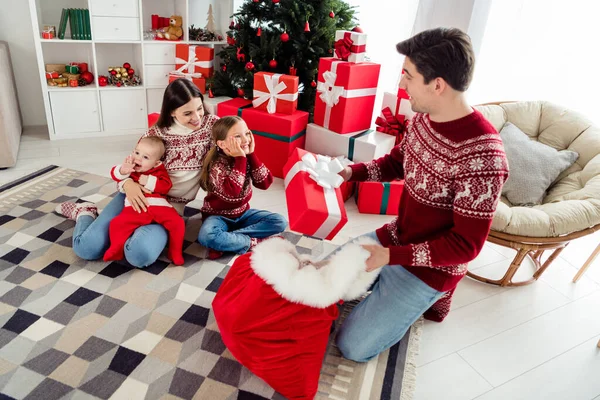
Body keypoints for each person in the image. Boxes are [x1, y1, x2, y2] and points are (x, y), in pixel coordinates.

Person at [334, 27, 510, 362]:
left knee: (352, 347)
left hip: (432, 267)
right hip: (396, 238)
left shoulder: (483, 157)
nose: (401, 84)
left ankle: (434, 296)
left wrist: (391, 259)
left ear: (438, 85)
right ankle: (385, 288)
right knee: (321, 282)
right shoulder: (423, 118)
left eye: (408, 76)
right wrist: (349, 172)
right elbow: (396, 164)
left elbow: (466, 246)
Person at [55, 78, 219, 267]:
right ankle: (85, 211)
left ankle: (128, 233)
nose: (197, 117)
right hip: (135, 197)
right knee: (86, 248)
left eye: (199, 108)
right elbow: (129, 169)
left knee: (138, 255)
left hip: (169, 209)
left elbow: (235, 141)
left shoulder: (211, 127)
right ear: (172, 112)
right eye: (188, 113)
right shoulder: (154, 135)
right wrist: (128, 184)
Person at [197, 116, 287, 259]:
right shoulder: (217, 165)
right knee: (208, 237)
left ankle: (229, 240)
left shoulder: (246, 157)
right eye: (238, 136)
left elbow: (265, 183)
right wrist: (241, 159)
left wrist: (251, 155)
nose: (245, 140)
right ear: (221, 143)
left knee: (280, 221)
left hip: (243, 214)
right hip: (218, 217)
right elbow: (232, 193)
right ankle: (254, 242)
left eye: (246, 133)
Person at [104, 137, 185, 265]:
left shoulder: (159, 170)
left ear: (156, 163)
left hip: (159, 207)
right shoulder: (130, 168)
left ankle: (175, 252)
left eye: (145, 157)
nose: (138, 159)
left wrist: (148, 181)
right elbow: (115, 174)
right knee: (116, 224)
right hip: (136, 207)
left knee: (178, 223)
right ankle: (116, 248)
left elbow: (165, 186)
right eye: (136, 153)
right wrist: (122, 170)